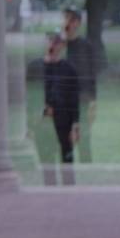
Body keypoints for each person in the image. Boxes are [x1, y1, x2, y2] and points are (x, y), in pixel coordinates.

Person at [40, 32, 82, 186]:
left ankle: (69, 190)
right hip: (43, 121)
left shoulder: (69, 69)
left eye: (57, 42)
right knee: (46, 156)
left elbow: (74, 99)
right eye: (50, 41)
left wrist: (75, 124)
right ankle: (49, 189)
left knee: (67, 155)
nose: (53, 45)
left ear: (63, 46)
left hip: (64, 119)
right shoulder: (38, 67)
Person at [61, 7, 99, 164]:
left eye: (71, 20)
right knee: (63, 138)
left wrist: (93, 101)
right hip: (62, 100)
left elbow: (91, 76)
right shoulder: (59, 45)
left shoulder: (86, 46)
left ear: (78, 23)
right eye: (65, 18)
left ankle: (86, 168)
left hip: (82, 98)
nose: (68, 23)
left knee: (84, 137)